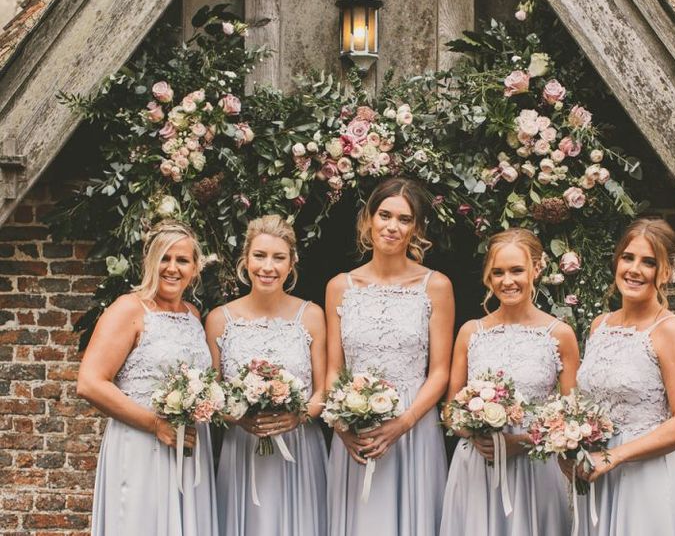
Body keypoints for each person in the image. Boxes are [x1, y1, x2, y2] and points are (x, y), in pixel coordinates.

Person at [325, 178, 455, 535]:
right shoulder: (340, 286)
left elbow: (440, 371)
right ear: (368, 219)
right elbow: (334, 368)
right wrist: (340, 424)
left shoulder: (436, 286)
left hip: (413, 426)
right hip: (355, 428)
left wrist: (404, 423)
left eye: (404, 219)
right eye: (385, 215)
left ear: (416, 228)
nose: (392, 227)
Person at [77, 220, 218, 535]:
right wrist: (157, 425)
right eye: (164, 258)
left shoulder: (194, 315)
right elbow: (89, 382)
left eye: (182, 260)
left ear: (195, 269)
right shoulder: (129, 309)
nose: (172, 268)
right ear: (150, 262)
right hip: (141, 444)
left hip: (189, 449)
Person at [570, 218, 675, 535]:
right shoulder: (600, 325)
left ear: (666, 272)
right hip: (598, 472)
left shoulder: (672, 331)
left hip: (646, 477)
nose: (634, 269)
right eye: (628, 257)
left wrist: (614, 456)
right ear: (616, 261)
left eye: (648, 262)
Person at [440, 228, 578, 535]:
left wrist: (522, 442)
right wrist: (474, 431)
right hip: (478, 466)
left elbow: (571, 419)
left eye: (517, 270)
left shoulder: (560, 335)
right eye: (498, 272)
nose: (507, 281)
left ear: (537, 269)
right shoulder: (470, 332)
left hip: (535, 468)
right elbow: (450, 410)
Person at [206, 215, 327, 536]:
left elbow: (323, 391)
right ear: (245, 261)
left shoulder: (312, 316)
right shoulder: (220, 320)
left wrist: (297, 416)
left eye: (278, 257)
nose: (267, 267)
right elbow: (212, 396)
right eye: (259, 256)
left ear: (292, 263)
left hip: (298, 447)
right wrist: (238, 416)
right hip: (242, 449)